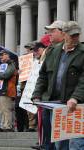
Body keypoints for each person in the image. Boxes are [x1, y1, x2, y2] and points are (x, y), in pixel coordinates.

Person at [32, 21, 84, 150]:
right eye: (72, 35)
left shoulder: (82, 52)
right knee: (59, 144)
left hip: (75, 106)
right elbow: (43, 75)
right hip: (54, 104)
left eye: (77, 35)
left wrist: (75, 97)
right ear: (64, 34)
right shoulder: (53, 51)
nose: (75, 38)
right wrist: (37, 94)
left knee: (75, 144)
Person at [0, 49, 18, 131]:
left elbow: (6, 75)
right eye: (0, 55)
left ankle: (8, 126)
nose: (0, 56)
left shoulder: (11, 64)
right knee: (1, 110)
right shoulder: (1, 65)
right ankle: (3, 125)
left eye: (2, 54)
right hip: (0, 91)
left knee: (6, 109)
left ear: (7, 55)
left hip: (7, 90)